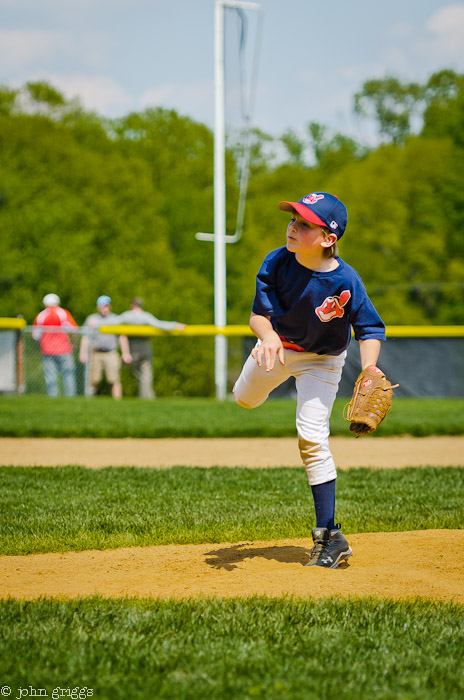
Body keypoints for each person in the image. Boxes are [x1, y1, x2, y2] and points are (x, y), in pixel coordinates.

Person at [233, 192, 386, 568]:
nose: (292, 226)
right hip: (276, 349)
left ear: (328, 239)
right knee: (243, 399)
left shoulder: (347, 280)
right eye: (293, 219)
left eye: (304, 224)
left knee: (312, 438)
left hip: (322, 362)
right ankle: (330, 535)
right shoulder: (277, 262)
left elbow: (370, 329)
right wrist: (267, 336)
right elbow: (258, 316)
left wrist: (369, 370)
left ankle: (329, 536)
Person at [117, 297, 185, 398]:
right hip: (145, 348)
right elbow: (160, 324)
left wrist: (96, 323)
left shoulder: (127, 316)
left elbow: (112, 322)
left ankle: (145, 397)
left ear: (132, 305)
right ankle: (147, 397)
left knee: (138, 374)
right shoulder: (145, 316)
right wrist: (175, 325)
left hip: (133, 350)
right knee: (146, 375)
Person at [79, 295, 131, 400]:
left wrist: (125, 353)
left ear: (110, 306)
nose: (104, 308)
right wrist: (82, 353)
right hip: (95, 353)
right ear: (98, 306)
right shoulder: (91, 319)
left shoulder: (116, 319)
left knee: (114, 379)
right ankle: (90, 401)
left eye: (106, 305)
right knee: (94, 379)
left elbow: (122, 338)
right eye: (102, 305)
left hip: (111, 353)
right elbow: (85, 338)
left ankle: (118, 403)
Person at [32, 293, 77, 397]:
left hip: (47, 351)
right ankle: (71, 397)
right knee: (68, 374)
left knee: (50, 376)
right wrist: (74, 344)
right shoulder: (63, 313)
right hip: (64, 350)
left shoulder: (41, 316)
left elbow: (35, 335)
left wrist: (40, 346)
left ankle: (53, 397)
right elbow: (73, 329)